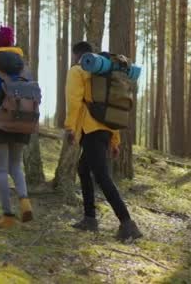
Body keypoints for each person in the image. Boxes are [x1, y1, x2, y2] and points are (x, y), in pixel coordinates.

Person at [64, 41, 143, 241]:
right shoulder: (103, 74)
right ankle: (90, 218)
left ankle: (127, 223)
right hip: (106, 129)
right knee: (83, 169)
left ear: (77, 55)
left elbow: (74, 99)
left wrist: (70, 127)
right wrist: (114, 140)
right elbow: (113, 107)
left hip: (90, 129)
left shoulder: (78, 70)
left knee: (101, 176)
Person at [0, 26, 33, 228]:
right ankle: (25, 202)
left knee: (0, 169)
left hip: (0, 122)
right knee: (16, 166)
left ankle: (8, 216)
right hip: (24, 121)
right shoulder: (24, 66)